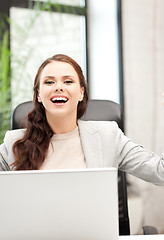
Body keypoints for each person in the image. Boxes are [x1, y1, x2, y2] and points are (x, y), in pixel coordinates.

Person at [0, 54, 163, 185]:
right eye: (49, 82)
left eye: (68, 81)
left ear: (81, 93)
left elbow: (160, 172)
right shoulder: (14, 143)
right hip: (33, 227)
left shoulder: (108, 136)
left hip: (94, 226)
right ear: (38, 95)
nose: (58, 87)